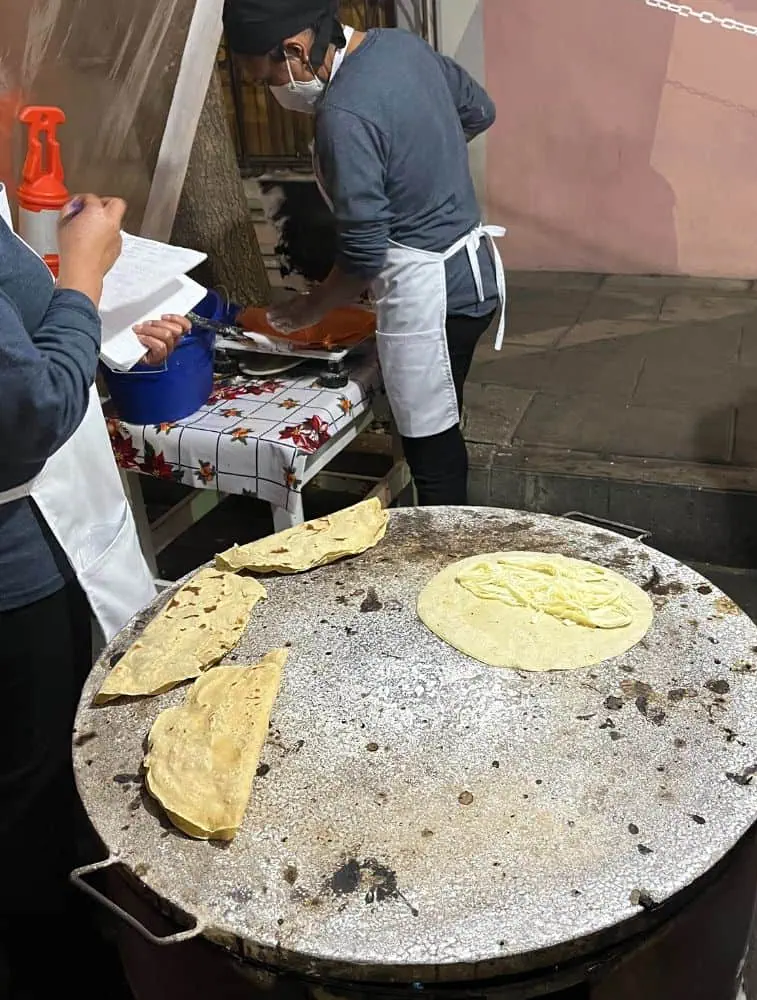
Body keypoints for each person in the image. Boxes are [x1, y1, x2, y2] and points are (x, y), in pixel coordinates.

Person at [0, 185, 190, 999]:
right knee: (34, 805)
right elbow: (26, 411)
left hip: (48, 539)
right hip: (19, 570)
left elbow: (30, 349)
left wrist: (106, 342)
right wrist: (82, 276)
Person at [223, 0, 506, 506]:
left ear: (295, 50)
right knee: (446, 417)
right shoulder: (400, 46)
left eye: (264, 78)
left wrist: (309, 309)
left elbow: (364, 253)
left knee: (432, 450)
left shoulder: (344, 114)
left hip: (430, 294)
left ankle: (445, 560)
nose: (269, 92)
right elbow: (478, 110)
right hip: (475, 277)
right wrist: (420, 159)